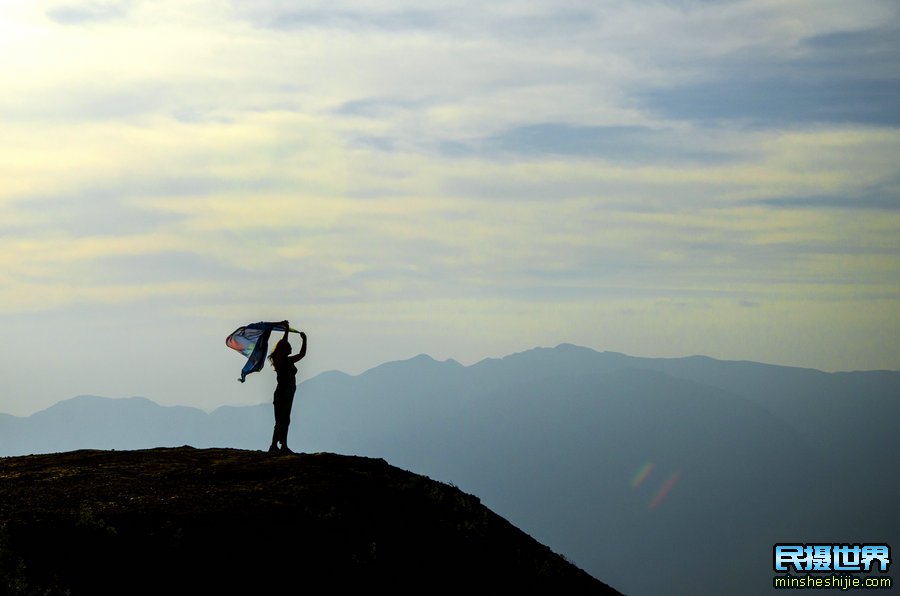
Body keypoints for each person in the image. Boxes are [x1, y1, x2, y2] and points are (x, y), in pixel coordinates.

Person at [267, 321, 307, 453]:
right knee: (281, 420)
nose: (291, 349)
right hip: (283, 392)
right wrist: (286, 330)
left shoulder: (287, 360)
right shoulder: (280, 360)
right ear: (283, 349)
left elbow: (302, 355)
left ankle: (281, 445)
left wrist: (304, 341)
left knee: (285, 419)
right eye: (289, 347)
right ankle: (277, 445)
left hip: (289, 392)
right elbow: (284, 343)